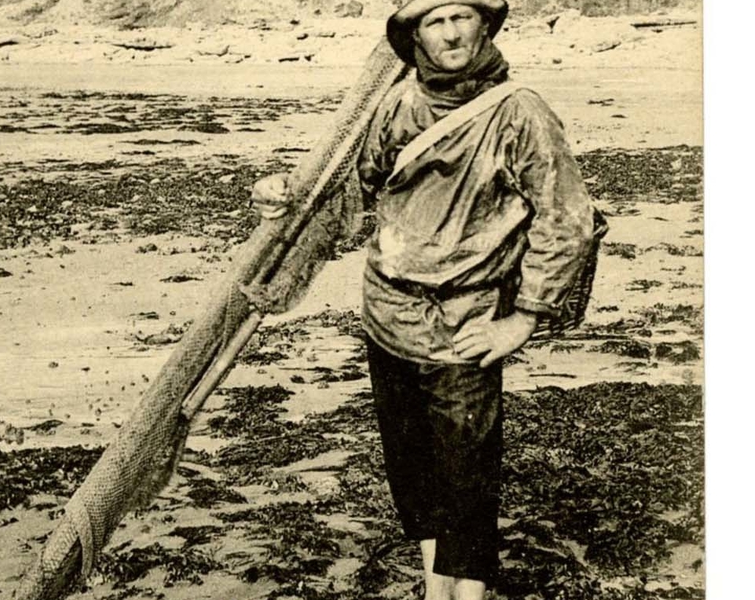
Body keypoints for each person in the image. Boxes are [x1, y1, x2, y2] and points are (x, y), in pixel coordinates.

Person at [251, 1, 596, 599]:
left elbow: (567, 220)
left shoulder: (520, 113)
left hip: (465, 326)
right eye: (435, 22)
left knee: (466, 482)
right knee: (416, 479)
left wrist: (523, 319)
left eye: (462, 16)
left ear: (485, 25)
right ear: (415, 36)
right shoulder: (398, 105)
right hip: (386, 316)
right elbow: (349, 198)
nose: (452, 32)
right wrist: (283, 195)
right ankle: (436, 593)